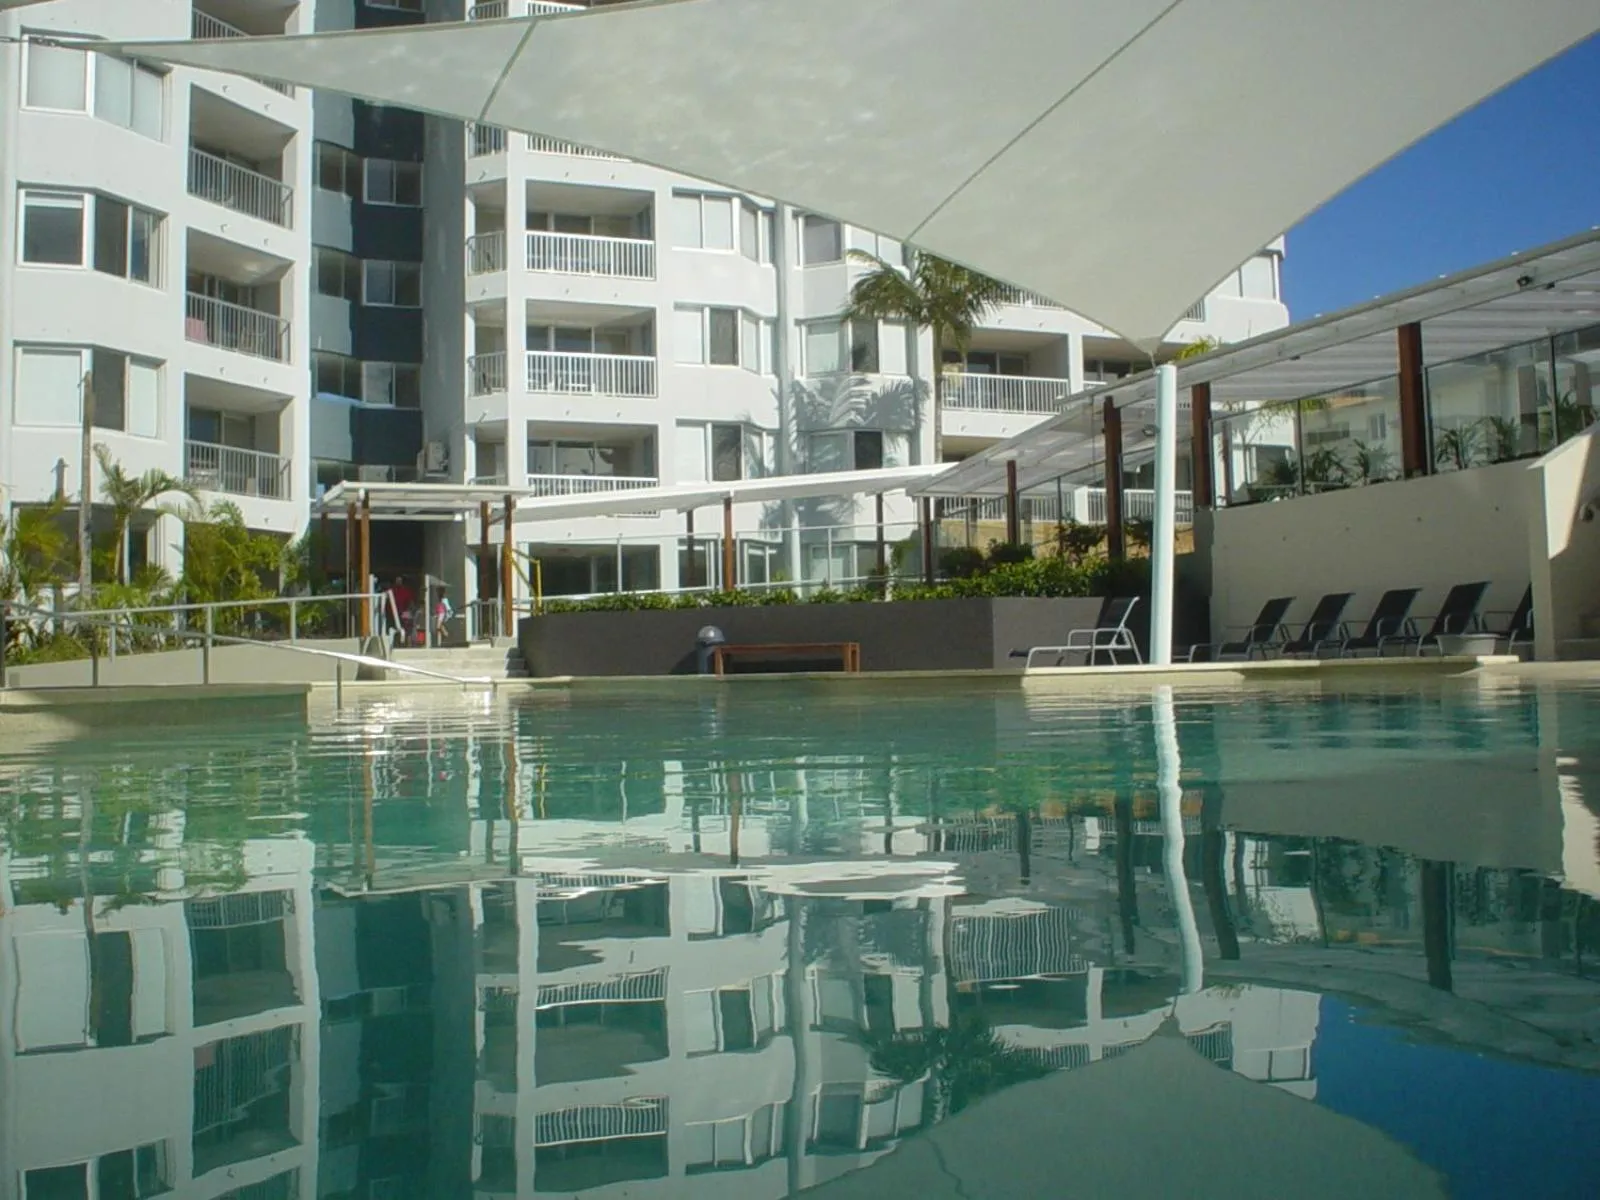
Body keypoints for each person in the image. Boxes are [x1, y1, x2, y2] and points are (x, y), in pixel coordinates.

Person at [390, 576, 415, 645]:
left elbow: (411, 602)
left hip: (404, 612)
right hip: (394, 614)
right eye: (397, 581)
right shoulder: (392, 591)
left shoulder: (406, 591)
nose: (398, 582)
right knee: (395, 629)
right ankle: (396, 643)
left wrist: (409, 612)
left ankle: (408, 644)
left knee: (407, 629)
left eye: (400, 581)